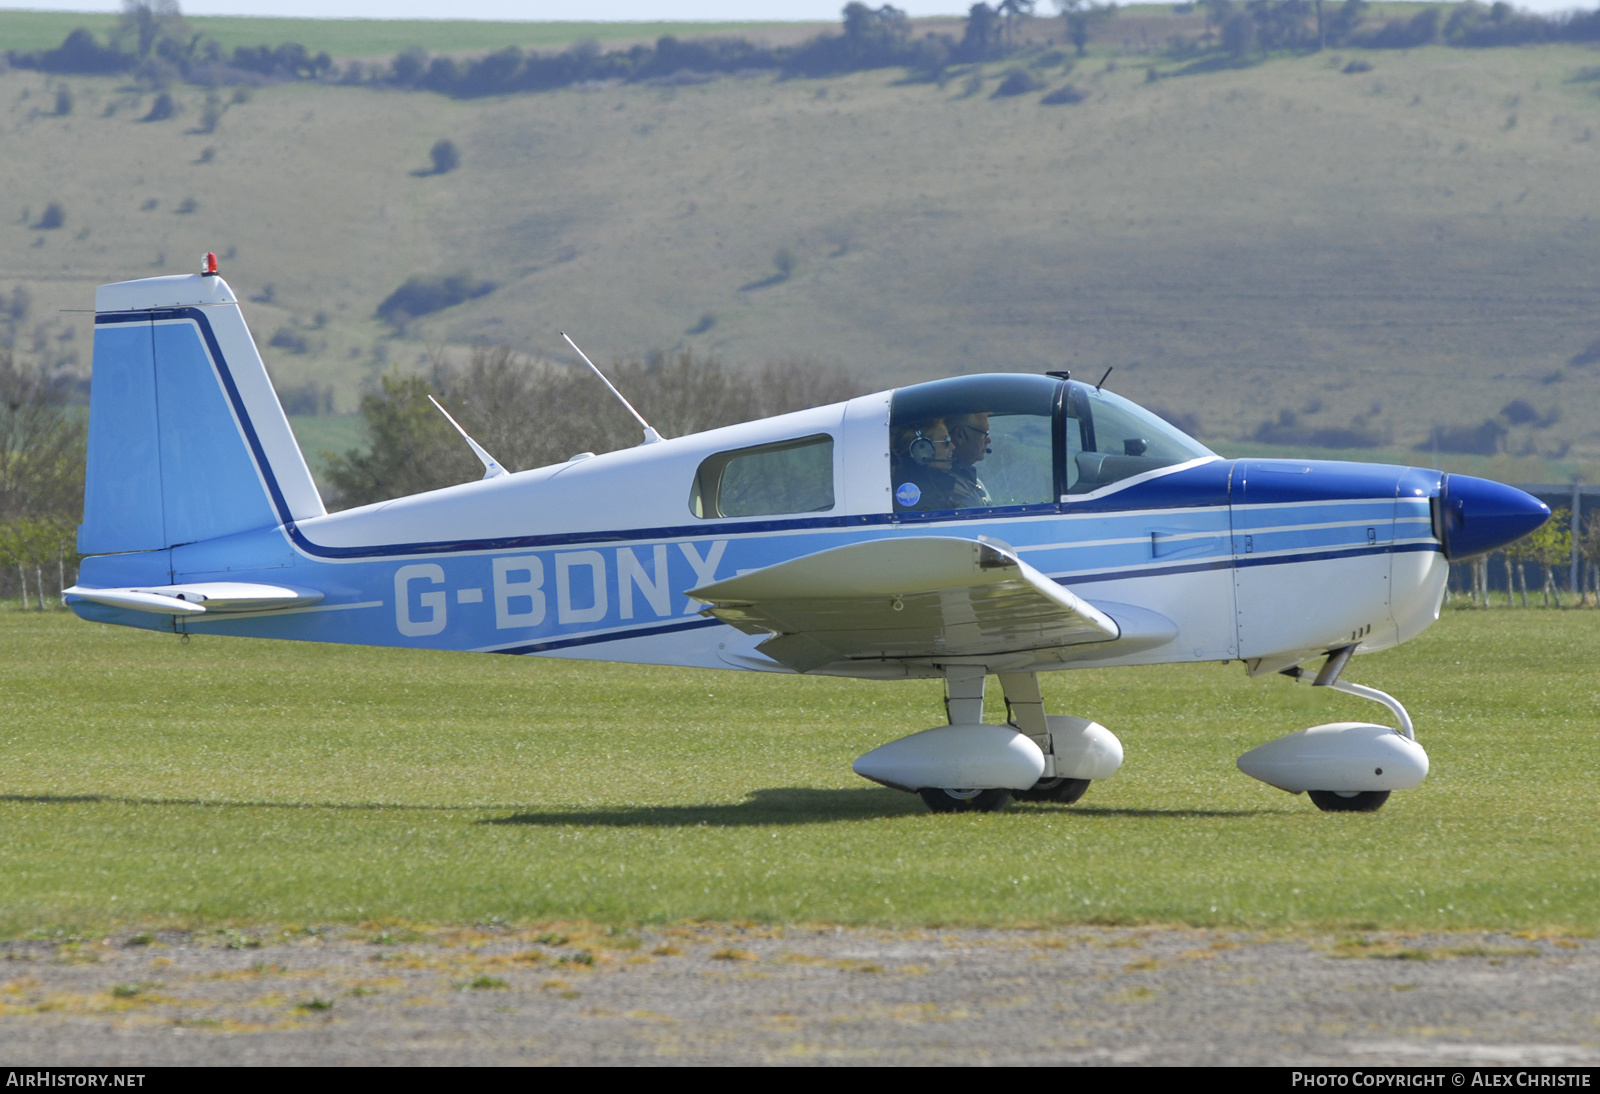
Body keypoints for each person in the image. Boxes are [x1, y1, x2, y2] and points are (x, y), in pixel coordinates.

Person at [890, 418, 960, 511]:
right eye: (946, 442)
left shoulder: (935, 484)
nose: (953, 447)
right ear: (921, 449)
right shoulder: (916, 496)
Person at [948, 412, 991, 507]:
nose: (988, 440)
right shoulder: (949, 485)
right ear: (960, 434)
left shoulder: (974, 481)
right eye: (984, 433)